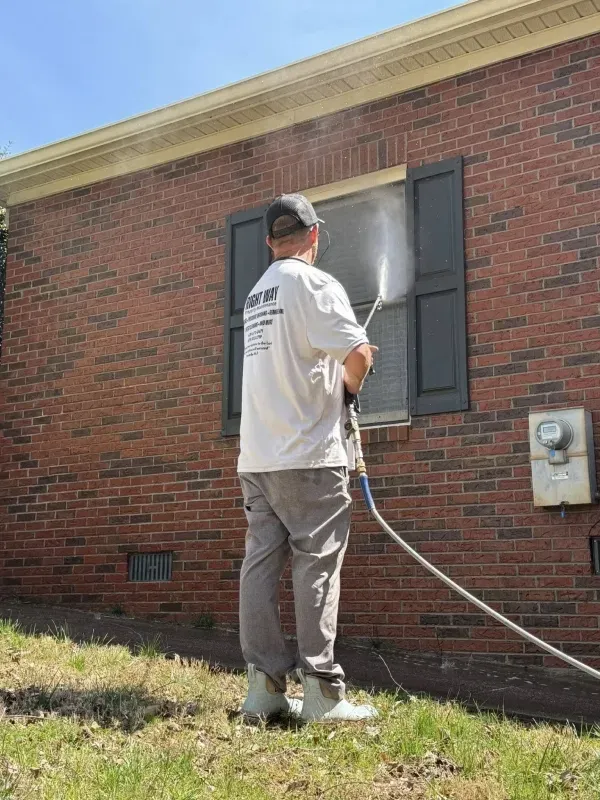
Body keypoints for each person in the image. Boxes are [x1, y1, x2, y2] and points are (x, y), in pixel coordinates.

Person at [237, 193, 378, 722]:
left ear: (271, 242)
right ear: (313, 236)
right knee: (315, 568)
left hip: (257, 458)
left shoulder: (257, 294)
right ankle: (321, 693)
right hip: (308, 457)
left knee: (260, 566)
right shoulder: (315, 282)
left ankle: (265, 690)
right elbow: (358, 355)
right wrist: (348, 384)